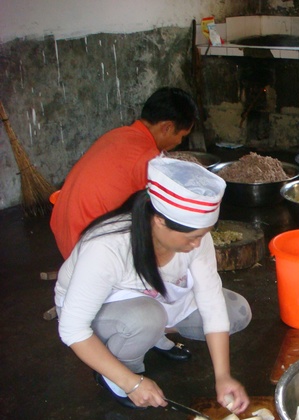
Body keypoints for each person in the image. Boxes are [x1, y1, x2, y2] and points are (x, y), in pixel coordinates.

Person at [55, 155, 251, 411]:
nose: (198, 244)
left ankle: (153, 335)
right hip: (100, 309)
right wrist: (132, 383)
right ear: (159, 221)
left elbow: (212, 302)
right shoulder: (107, 248)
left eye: (203, 235)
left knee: (236, 311)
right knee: (146, 318)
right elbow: (72, 329)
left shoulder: (195, 238)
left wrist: (223, 376)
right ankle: (119, 372)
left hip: (154, 297)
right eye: (191, 238)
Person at [50, 87, 201, 361]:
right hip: (87, 249)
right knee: (165, 255)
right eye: (181, 136)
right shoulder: (148, 159)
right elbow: (162, 219)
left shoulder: (118, 134)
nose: (179, 142)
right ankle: (128, 350)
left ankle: (153, 333)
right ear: (167, 127)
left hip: (66, 229)